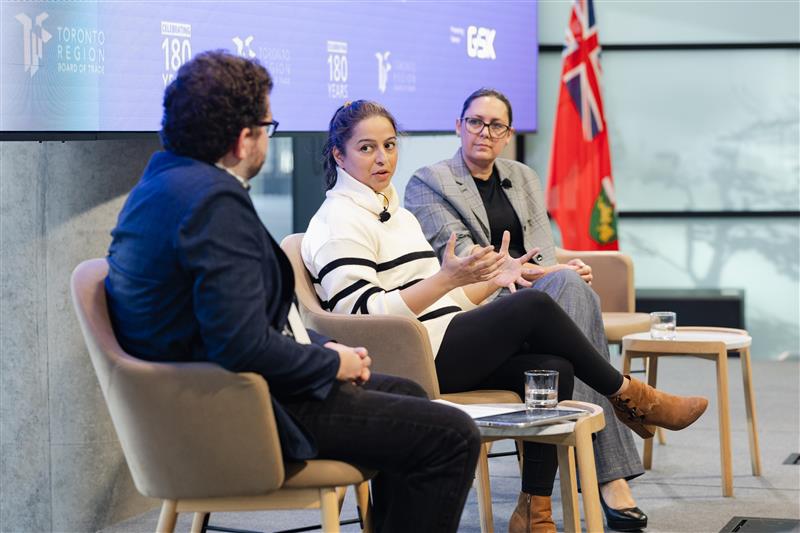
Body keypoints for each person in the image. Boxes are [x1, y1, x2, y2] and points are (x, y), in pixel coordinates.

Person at [104, 51, 482, 533]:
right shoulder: (211, 204)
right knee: (451, 435)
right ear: (245, 139)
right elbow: (240, 344)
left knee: (408, 392)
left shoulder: (160, 187)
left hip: (217, 391)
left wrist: (330, 347)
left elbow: (244, 323)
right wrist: (331, 364)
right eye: (269, 123)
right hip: (241, 409)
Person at [302, 100, 708, 533]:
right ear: (338, 155)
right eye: (366, 148)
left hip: (440, 337)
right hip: (405, 357)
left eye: (389, 145)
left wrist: (500, 277)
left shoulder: (393, 211)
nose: (382, 158)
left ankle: (534, 511)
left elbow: (449, 301)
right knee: (532, 306)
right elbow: (363, 314)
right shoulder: (337, 222)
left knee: (551, 368)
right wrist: (447, 279)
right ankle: (631, 396)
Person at [404, 87, 647, 531]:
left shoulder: (522, 176)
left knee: (571, 285)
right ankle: (612, 464)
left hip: (534, 299)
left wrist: (557, 271)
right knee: (569, 289)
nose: (484, 132)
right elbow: (466, 262)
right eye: (475, 121)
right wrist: (547, 275)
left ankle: (548, 498)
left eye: (496, 125)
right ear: (458, 126)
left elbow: (541, 252)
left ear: (508, 134)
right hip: (477, 307)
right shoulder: (428, 183)